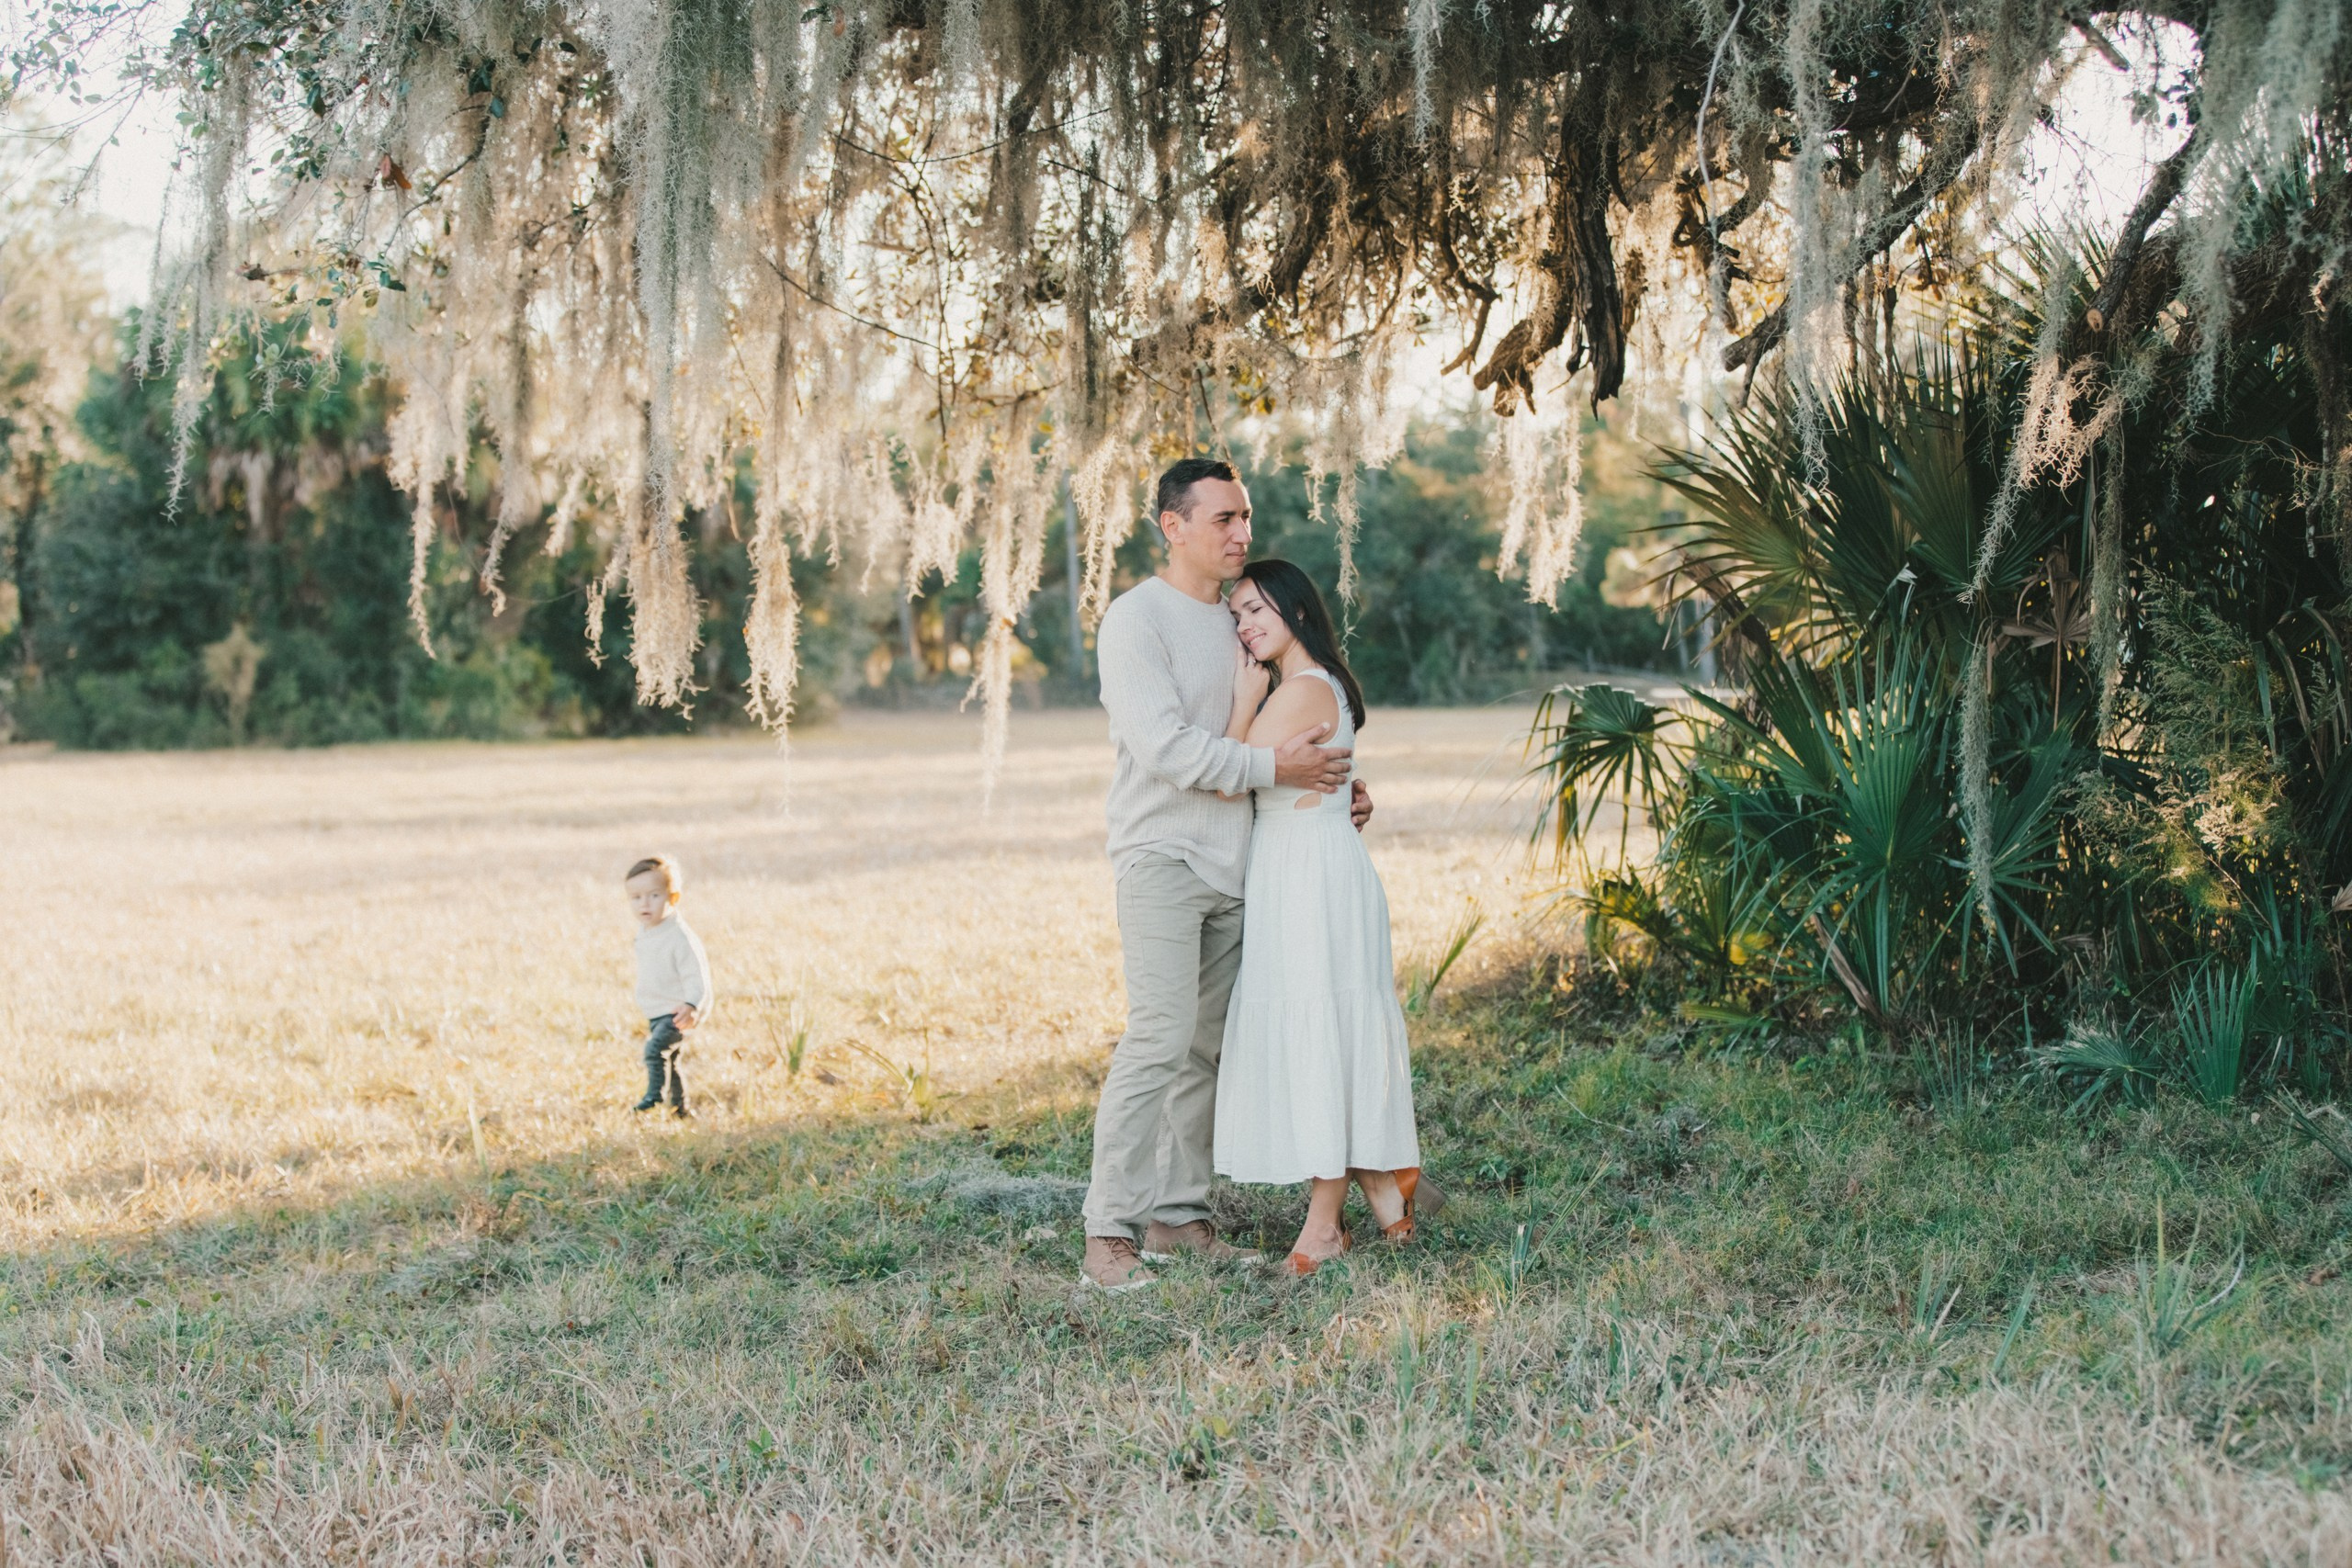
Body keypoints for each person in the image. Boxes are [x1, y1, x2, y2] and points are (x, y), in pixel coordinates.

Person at [1080, 457, 1370, 1293]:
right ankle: (1110, 1232)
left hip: (1245, 865)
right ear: (1173, 527)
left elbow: (1293, 721)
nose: (1243, 534)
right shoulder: (1136, 621)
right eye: (1224, 521)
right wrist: (1275, 768)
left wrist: (1336, 782)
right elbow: (1167, 748)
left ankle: (1178, 1217)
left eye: (1246, 518)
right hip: (1163, 854)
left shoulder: (1247, 619)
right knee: (1160, 1036)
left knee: (1206, 1051)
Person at [1212, 560, 1428, 1274]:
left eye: (1254, 610)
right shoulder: (1315, 685)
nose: (1244, 626)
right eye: (1237, 616)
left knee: (1320, 1033)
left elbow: (1228, 770)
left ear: (1294, 609)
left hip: (1309, 881)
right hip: (1307, 869)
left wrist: (1242, 701)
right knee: (1330, 1028)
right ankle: (1384, 1188)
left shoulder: (1300, 690)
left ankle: (1323, 1227)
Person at [625, 854, 711, 1119]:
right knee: (671, 1063)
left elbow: (697, 977)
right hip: (657, 1010)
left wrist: (692, 1005)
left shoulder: (679, 937)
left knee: (655, 1050)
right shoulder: (647, 930)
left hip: (678, 1011)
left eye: (653, 896)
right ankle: (681, 1109)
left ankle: (654, 1096)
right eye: (636, 898)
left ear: (672, 898)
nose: (644, 904)